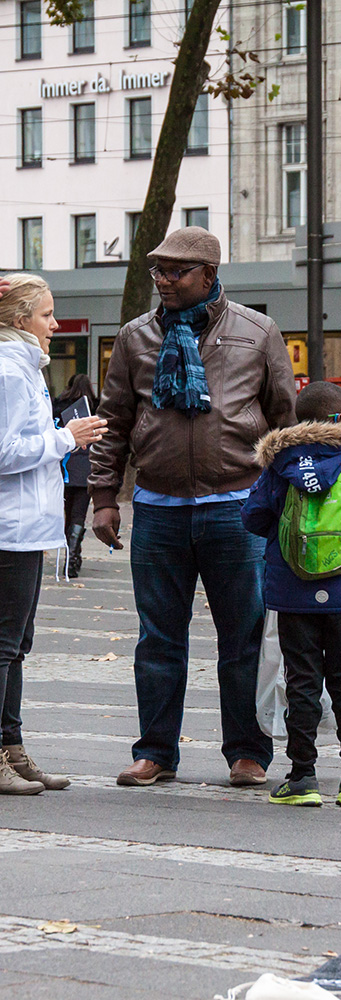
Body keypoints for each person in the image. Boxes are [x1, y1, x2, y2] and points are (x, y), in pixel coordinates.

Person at [88, 226, 297, 788]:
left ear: (209, 274)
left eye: (175, 272)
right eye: (158, 271)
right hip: (157, 508)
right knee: (158, 636)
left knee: (244, 636)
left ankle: (248, 753)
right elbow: (113, 424)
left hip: (238, 507)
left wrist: (288, 500)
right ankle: (155, 750)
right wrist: (104, 497)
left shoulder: (258, 332)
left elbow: (284, 422)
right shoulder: (135, 338)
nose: (163, 281)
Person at [241, 381, 341, 806]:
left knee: (301, 681)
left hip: (292, 593)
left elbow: (252, 517)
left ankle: (301, 777)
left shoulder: (279, 463)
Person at [0, 273, 106, 794]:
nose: (55, 324)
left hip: (27, 527)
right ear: (21, 320)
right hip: (8, 528)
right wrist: (66, 437)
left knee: (16, 644)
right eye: (46, 314)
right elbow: (2, 452)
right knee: (3, 645)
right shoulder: (8, 372)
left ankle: (11, 748)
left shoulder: (24, 367)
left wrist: (61, 440)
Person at [52, 373, 99, 578]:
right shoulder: (96, 407)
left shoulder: (60, 404)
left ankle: (70, 554)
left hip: (64, 464)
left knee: (67, 511)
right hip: (86, 465)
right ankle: (73, 557)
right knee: (79, 513)